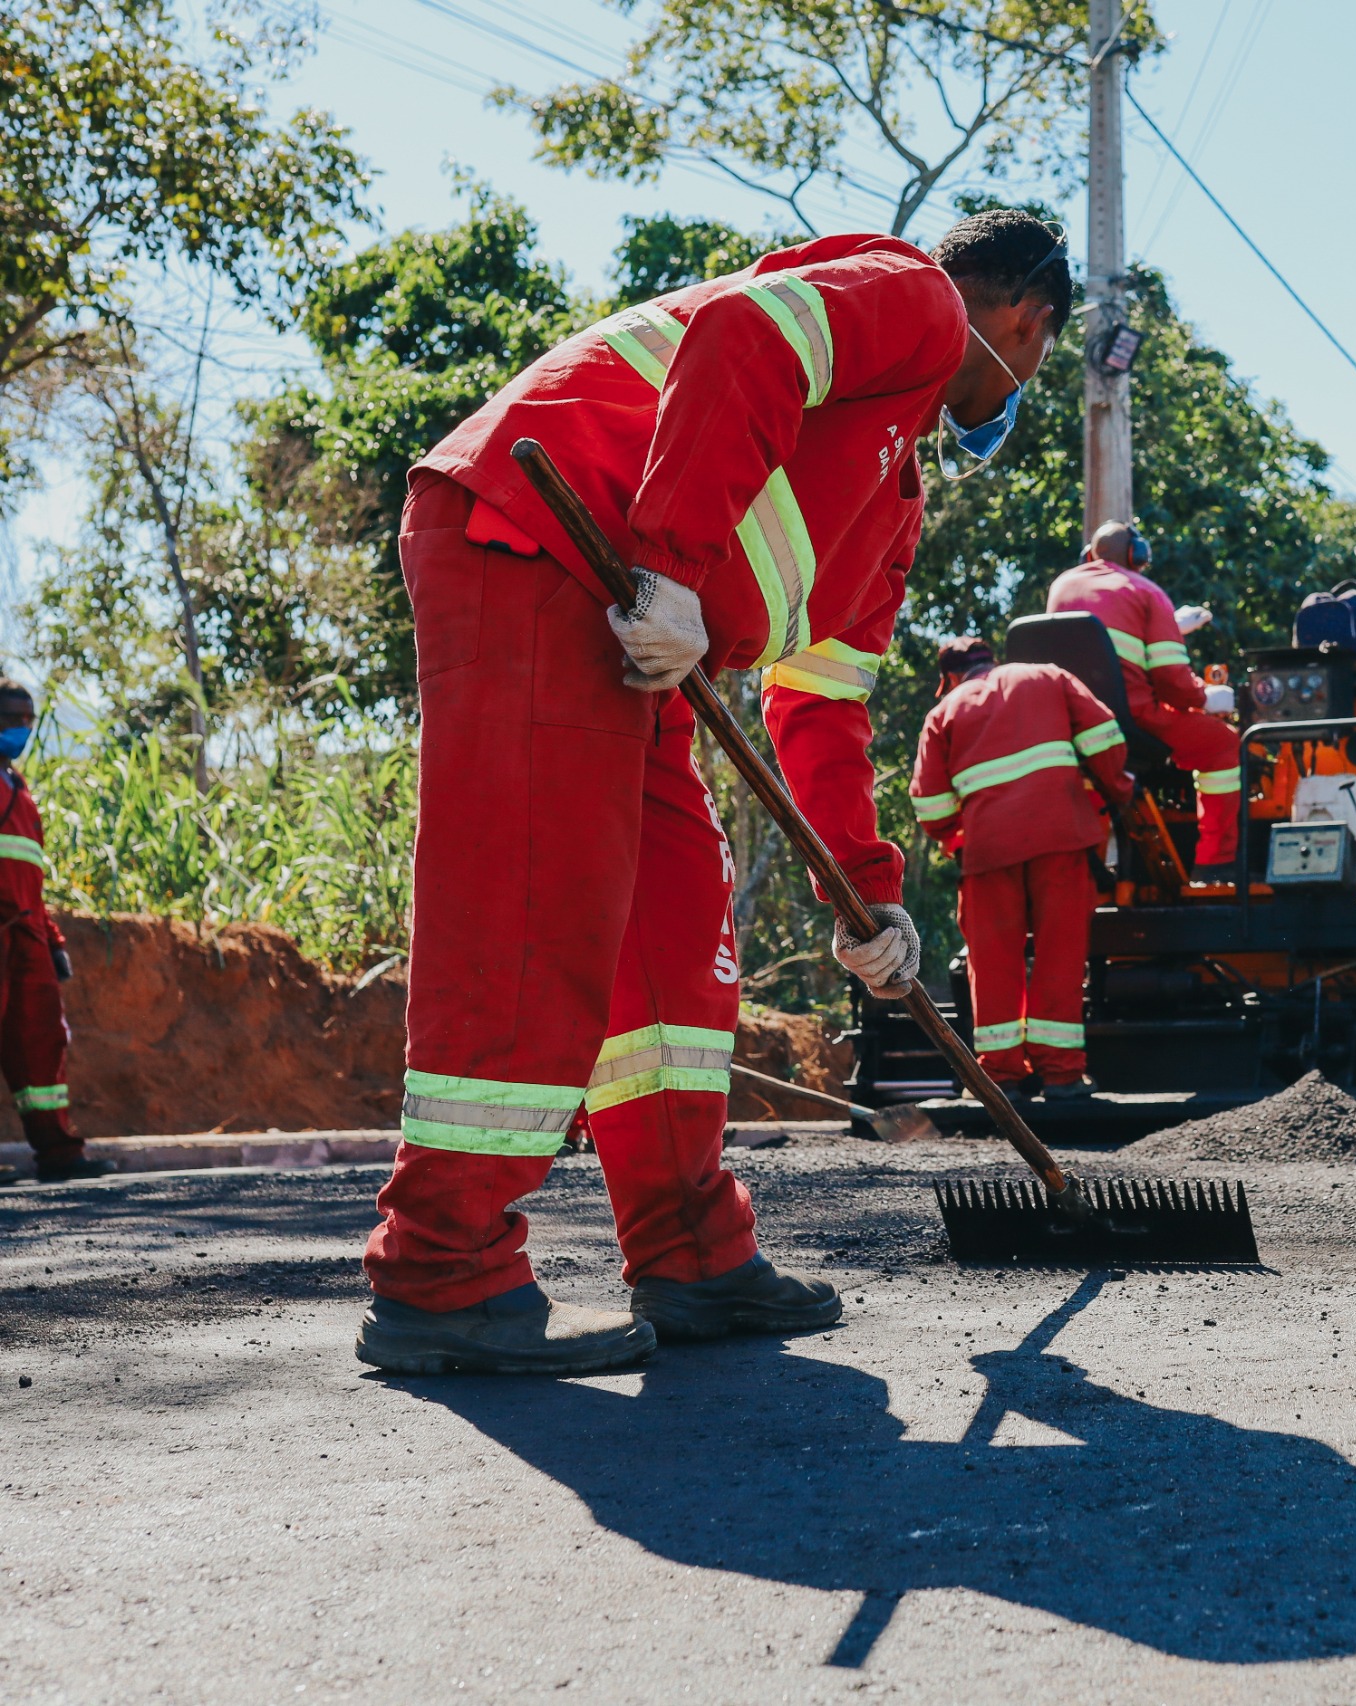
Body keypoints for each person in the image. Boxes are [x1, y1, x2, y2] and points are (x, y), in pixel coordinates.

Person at [358, 208, 1068, 1375]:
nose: (1023, 375)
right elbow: (742, 332)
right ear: (1029, 319)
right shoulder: (916, 300)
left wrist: (869, 898)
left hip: (628, 626)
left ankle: (691, 1254)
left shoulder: (888, 500)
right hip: (543, 544)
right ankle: (443, 1270)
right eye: (1037, 352)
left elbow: (821, 703)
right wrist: (673, 567)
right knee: (542, 904)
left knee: (677, 939)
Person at [909, 636, 1132, 1099]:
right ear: (993, 660)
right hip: (1062, 838)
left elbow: (929, 807)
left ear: (950, 678)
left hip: (988, 852)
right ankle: (1062, 1075)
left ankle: (999, 1078)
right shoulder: (1047, 676)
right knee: (1061, 953)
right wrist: (1115, 792)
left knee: (992, 962)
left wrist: (960, 837)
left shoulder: (944, 713)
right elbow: (1104, 738)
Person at [1046, 521, 1241, 875]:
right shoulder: (1147, 592)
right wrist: (1206, 698)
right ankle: (1216, 865)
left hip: (1065, 723)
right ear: (1137, 555)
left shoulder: (1061, 585)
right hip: (1131, 721)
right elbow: (1172, 682)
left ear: (1089, 554)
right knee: (1223, 745)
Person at [0, 682, 85, 1183]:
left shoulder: (21, 790)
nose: (22, 729)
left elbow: (31, 879)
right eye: (12, 717)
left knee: (42, 1043)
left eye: (28, 720)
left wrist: (53, 940)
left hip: (27, 935)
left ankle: (59, 1153)